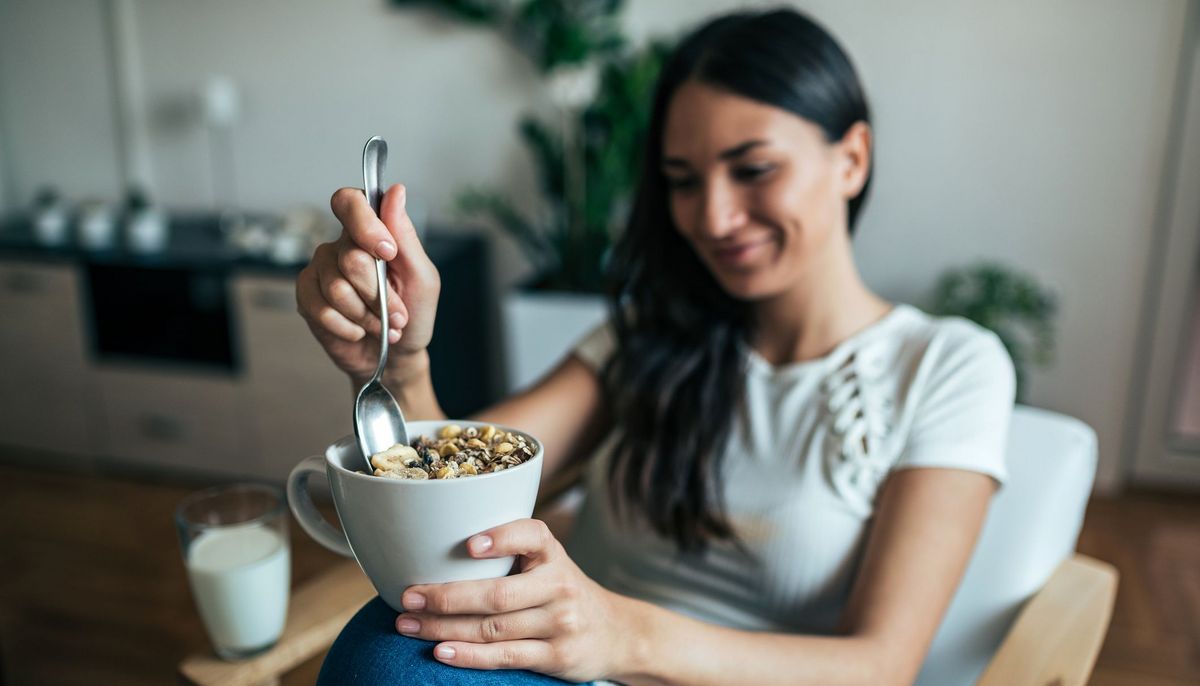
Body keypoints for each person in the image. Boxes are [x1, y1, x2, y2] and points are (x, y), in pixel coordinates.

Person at [295, 7, 1015, 686]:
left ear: (851, 158)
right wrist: (401, 362)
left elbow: (880, 667)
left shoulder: (947, 366)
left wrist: (622, 634)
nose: (716, 216)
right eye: (682, 181)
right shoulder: (645, 339)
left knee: (389, 658)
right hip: (581, 668)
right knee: (397, 640)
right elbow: (464, 515)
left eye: (753, 169)